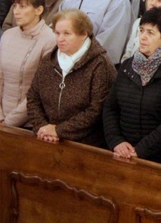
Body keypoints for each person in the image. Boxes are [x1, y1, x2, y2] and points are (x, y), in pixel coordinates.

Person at [103, 8, 161, 166]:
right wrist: (116, 141)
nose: (142, 37)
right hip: (120, 152)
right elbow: (111, 107)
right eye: (141, 30)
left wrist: (140, 150)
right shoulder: (127, 66)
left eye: (150, 33)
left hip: (158, 159)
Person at [27, 10, 117, 146]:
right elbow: (33, 97)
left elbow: (97, 110)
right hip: (45, 138)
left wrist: (59, 130)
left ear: (83, 34)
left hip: (85, 144)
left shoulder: (100, 65)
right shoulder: (48, 61)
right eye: (57, 33)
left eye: (67, 33)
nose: (60, 39)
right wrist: (42, 127)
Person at [0, 0, 56, 127]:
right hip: (0, 118)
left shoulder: (50, 40)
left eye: (23, 7)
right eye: (15, 6)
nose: (16, 12)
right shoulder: (8, 35)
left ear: (38, 10)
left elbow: (40, 88)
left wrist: (10, 121)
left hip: (30, 120)